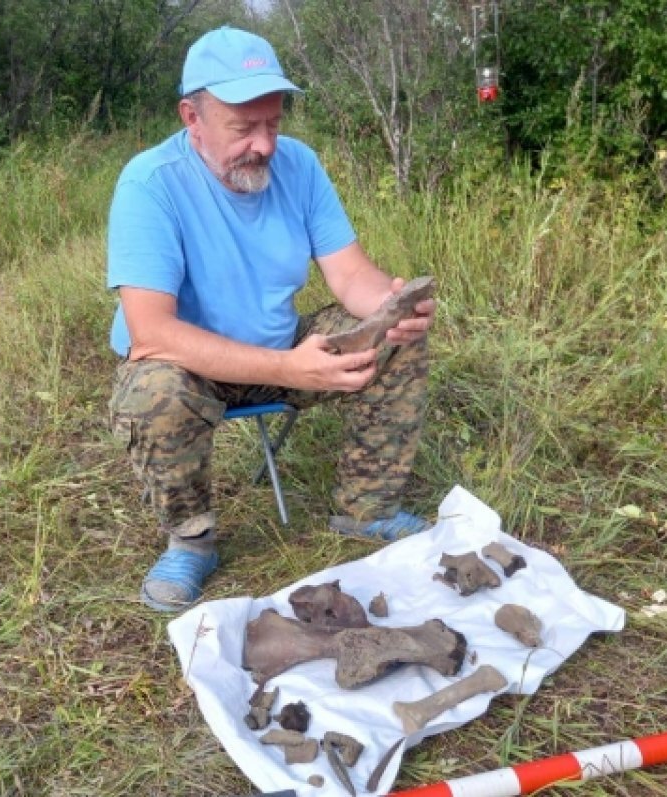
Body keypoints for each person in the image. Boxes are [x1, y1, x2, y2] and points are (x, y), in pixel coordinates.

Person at [106, 26, 436, 612]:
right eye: (243, 127)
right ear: (193, 117)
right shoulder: (150, 184)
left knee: (398, 338)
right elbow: (152, 333)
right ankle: (192, 542)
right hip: (191, 368)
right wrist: (290, 369)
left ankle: (366, 510)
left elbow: (349, 276)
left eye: (273, 124)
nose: (263, 145)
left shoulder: (300, 167)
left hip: (285, 352)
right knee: (152, 390)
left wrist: (391, 306)